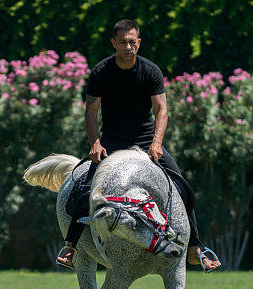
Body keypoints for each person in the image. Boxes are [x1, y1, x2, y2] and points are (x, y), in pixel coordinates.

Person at [57, 19, 220, 272]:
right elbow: (91, 111)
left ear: (139, 42)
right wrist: (95, 143)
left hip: (146, 141)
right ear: (114, 43)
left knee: (183, 187)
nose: (128, 46)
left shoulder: (151, 71)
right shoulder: (101, 71)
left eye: (133, 41)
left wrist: (157, 143)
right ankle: (71, 246)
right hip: (111, 142)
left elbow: (161, 109)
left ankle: (195, 248)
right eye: (122, 42)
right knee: (86, 187)